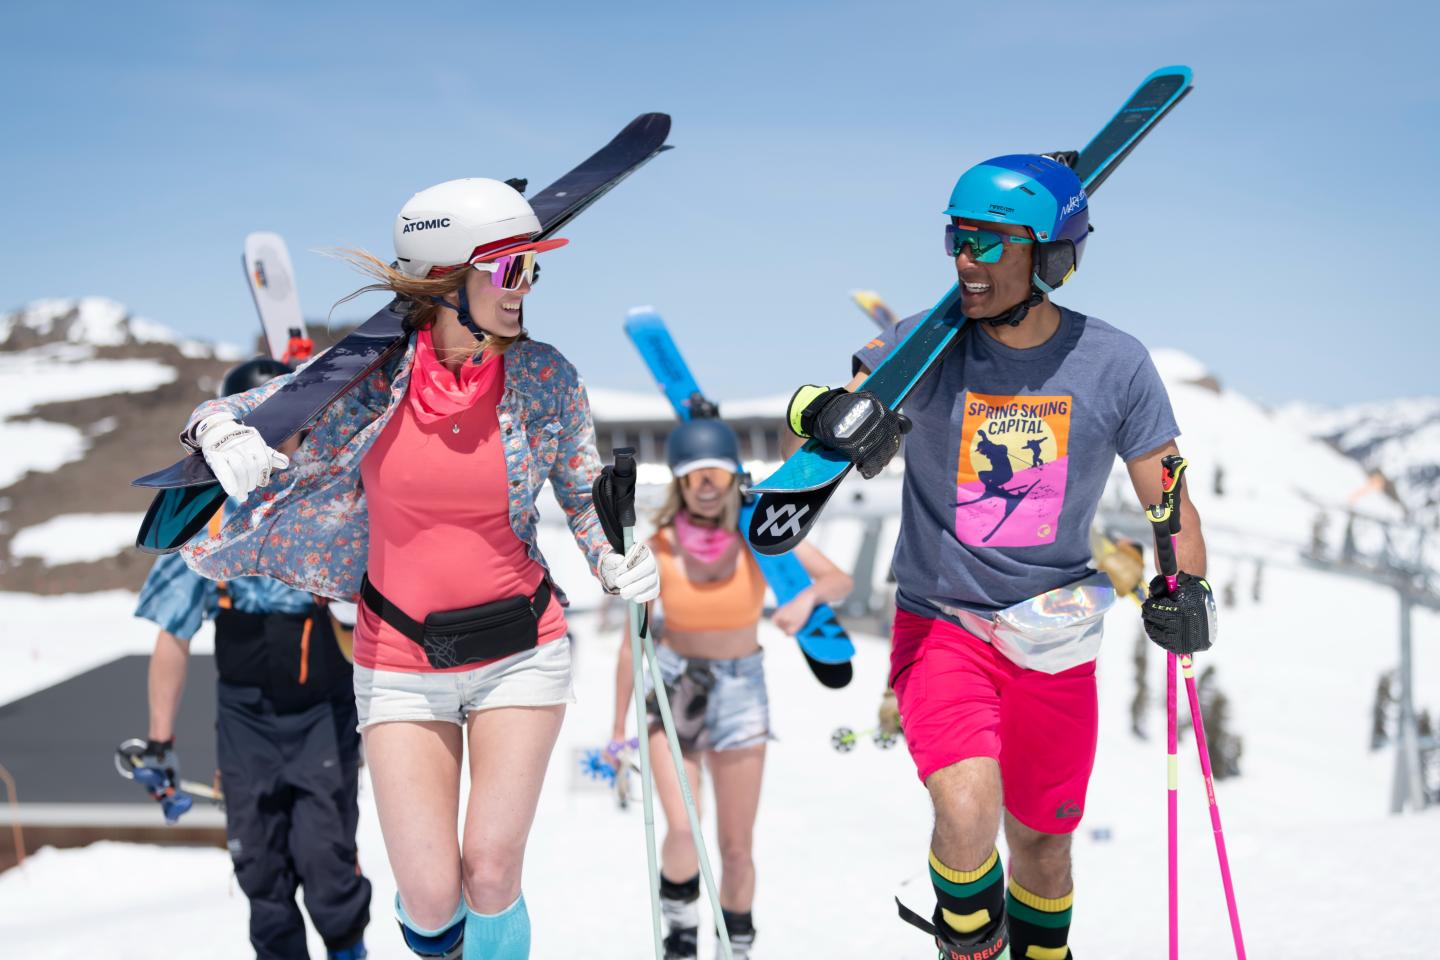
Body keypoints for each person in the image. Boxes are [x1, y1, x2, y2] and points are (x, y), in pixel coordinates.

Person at [174, 178, 661, 960]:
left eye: (533, 268)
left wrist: (614, 563)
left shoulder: (548, 378)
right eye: (510, 271)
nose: (526, 288)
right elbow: (222, 413)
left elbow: (580, 497)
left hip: (521, 652)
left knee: (491, 872)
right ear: (445, 281)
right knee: (433, 898)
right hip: (400, 661)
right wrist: (223, 437)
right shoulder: (364, 375)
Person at [783, 154, 1212, 958]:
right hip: (943, 623)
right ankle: (969, 944)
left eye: (989, 242)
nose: (966, 261)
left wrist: (1186, 584)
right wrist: (827, 414)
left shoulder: (1114, 364)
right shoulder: (923, 342)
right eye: (957, 238)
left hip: (1054, 636)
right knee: (968, 807)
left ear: (1050, 258)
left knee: (1045, 850)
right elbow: (811, 422)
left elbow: (1170, 497)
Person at [129, 356, 371, 960]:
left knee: (328, 865)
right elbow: (172, 634)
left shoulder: (332, 505)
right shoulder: (210, 523)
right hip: (246, 720)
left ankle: (348, 949)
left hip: (322, 710)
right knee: (260, 872)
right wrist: (159, 743)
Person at [607, 417, 852, 959]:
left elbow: (838, 579)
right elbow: (633, 642)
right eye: (695, 474)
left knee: (737, 850)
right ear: (680, 482)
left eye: (716, 470)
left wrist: (804, 600)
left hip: (743, 690)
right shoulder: (658, 547)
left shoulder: (761, 535)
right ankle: (681, 934)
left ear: (733, 475)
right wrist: (618, 727)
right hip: (675, 690)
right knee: (682, 830)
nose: (708, 482)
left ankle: (735, 946)